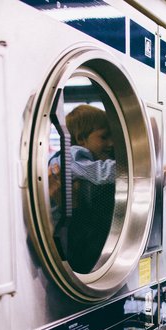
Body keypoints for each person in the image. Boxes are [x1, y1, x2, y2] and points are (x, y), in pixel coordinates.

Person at [47, 104, 117, 272]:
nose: (111, 143)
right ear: (80, 139)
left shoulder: (77, 157)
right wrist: (133, 168)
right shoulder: (73, 155)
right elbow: (101, 172)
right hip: (58, 229)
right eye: (104, 137)